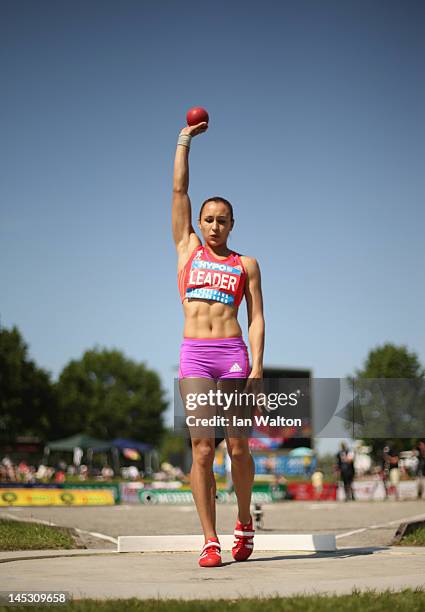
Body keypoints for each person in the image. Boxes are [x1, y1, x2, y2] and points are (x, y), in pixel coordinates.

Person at [172, 120, 265, 567]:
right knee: (202, 450)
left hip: (232, 355)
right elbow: (178, 192)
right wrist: (185, 141)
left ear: (232, 224)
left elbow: (257, 318)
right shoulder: (187, 248)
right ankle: (210, 540)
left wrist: (257, 368)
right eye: (208, 219)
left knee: (238, 446)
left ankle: (244, 520)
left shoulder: (246, 264)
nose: (213, 226)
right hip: (194, 356)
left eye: (221, 220)